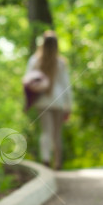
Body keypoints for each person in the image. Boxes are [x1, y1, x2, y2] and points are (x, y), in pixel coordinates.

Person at [25, 30, 72, 169]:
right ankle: (58, 163)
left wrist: (27, 102)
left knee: (46, 131)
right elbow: (66, 85)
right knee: (57, 134)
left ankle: (46, 159)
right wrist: (68, 106)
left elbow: (27, 81)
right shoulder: (61, 63)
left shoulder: (34, 61)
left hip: (42, 101)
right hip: (58, 100)